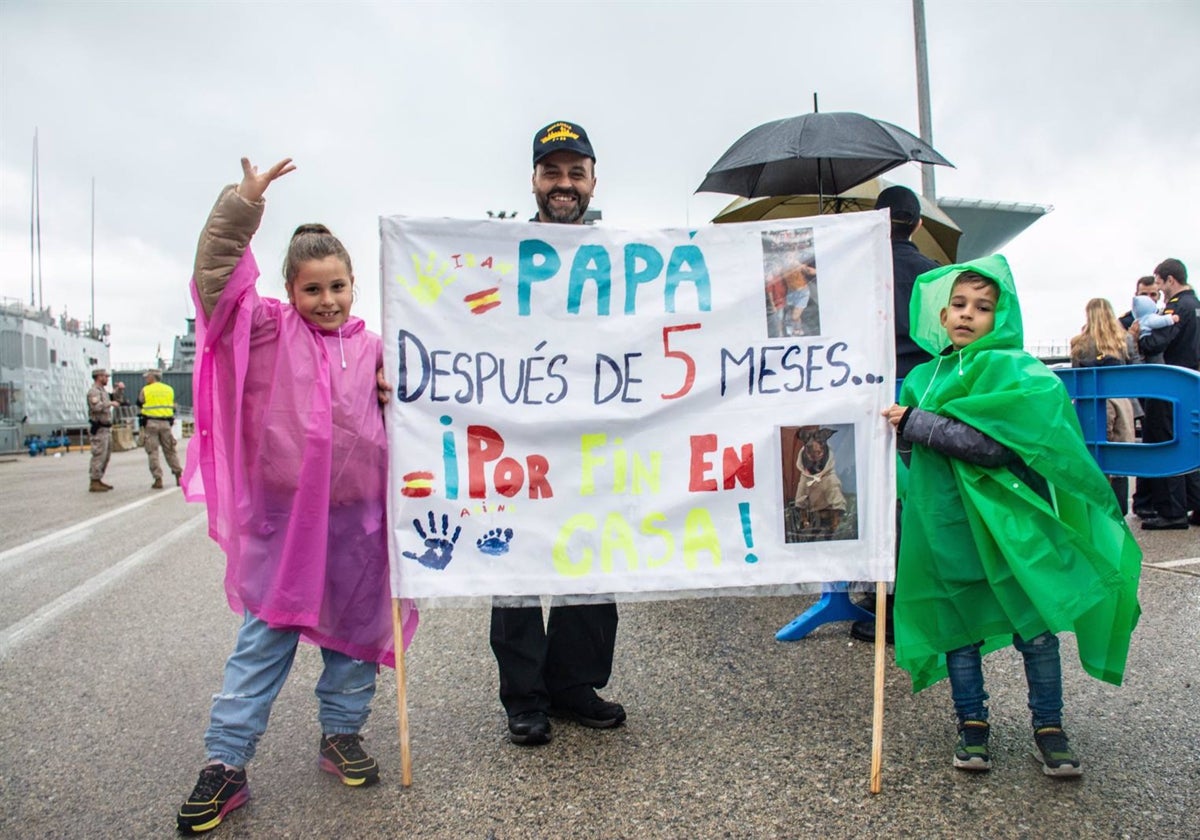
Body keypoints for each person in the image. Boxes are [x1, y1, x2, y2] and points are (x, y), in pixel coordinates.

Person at [176, 157, 418, 834]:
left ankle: (341, 736)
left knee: (357, 641)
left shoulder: (375, 346)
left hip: (361, 523)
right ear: (289, 289)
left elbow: (425, 395)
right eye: (313, 289)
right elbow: (216, 281)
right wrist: (241, 207)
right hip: (287, 523)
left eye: (339, 286)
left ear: (354, 285)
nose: (329, 300)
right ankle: (226, 762)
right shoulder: (268, 330)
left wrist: (397, 389)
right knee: (264, 639)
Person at [887, 255, 1141, 778]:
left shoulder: (1020, 372)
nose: (966, 315)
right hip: (949, 527)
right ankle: (971, 724)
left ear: (1000, 316)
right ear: (940, 313)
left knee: (1037, 630)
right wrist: (903, 434)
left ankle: (1049, 727)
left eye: (982, 307)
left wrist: (916, 424)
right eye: (957, 304)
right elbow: (912, 462)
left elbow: (994, 447)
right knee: (959, 627)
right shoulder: (922, 379)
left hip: (1013, 530)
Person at [488, 121, 625, 747]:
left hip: (594, 438)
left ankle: (574, 685)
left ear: (594, 180)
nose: (563, 184)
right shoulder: (500, 252)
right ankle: (525, 697)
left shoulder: (629, 258)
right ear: (535, 181)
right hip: (518, 436)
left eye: (576, 172)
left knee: (590, 557)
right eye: (552, 172)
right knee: (514, 564)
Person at [850, 185, 939, 644]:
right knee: (915, 502)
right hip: (922, 401)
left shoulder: (859, 270)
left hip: (869, 397)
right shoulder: (937, 275)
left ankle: (880, 600)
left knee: (875, 499)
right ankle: (913, 600)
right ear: (918, 224)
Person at [1134, 257, 1200, 529]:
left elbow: (1157, 343)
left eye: (1160, 284)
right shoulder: (1195, 306)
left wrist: (1142, 337)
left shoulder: (1177, 308)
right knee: (1191, 446)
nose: (1159, 290)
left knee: (1166, 442)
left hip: (1170, 381)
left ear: (1170, 279)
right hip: (1192, 381)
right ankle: (1196, 504)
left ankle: (1171, 510)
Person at [1068, 298, 1138, 513]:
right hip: (1120, 401)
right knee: (1119, 456)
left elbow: (1075, 378)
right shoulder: (1124, 339)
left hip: (1090, 403)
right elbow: (1134, 372)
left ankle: (1096, 509)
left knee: (1092, 454)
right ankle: (1119, 510)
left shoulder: (1079, 342)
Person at [137, 368, 182, 489]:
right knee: (170, 450)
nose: (146, 379)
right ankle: (178, 474)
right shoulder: (169, 389)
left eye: (148, 377)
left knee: (153, 452)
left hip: (151, 423)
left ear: (153, 377)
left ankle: (158, 479)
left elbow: (140, 402)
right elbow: (171, 406)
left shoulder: (146, 389)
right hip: (166, 424)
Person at [86, 368, 124, 492]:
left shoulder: (103, 392)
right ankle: (94, 481)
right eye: (105, 377)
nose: (107, 379)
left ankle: (98, 479)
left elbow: (117, 399)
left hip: (106, 428)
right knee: (99, 455)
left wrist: (119, 390)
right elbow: (96, 407)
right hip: (99, 428)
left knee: (105, 456)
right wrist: (110, 404)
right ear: (99, 377)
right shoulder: (94, 392)